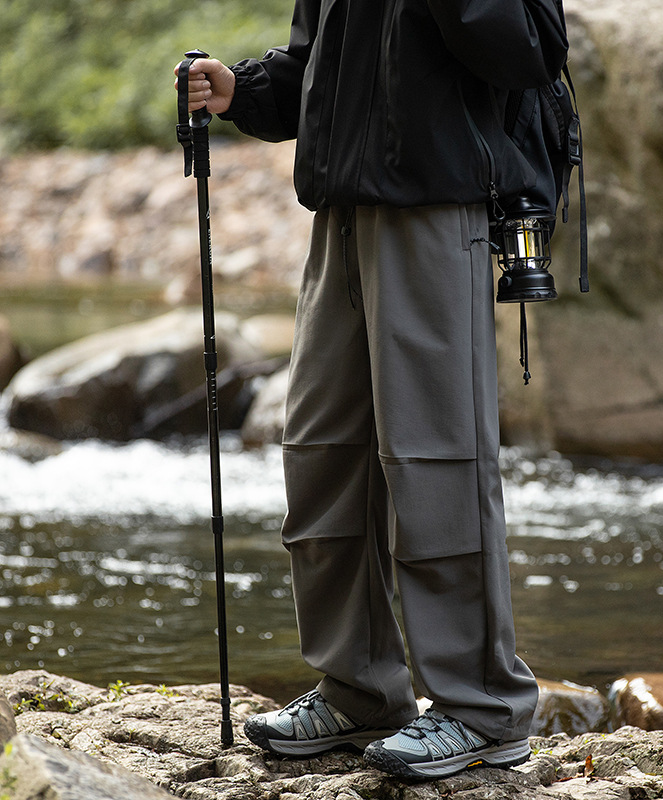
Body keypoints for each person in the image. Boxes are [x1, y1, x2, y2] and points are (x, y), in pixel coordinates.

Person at [175, 0, 568, 781]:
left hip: (437, 211)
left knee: (436, 461)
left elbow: (531, 51)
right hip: (342, 215)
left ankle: (483, 707)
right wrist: (240, 90)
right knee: (320, 455)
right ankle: (360, 690)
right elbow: (316, 65)